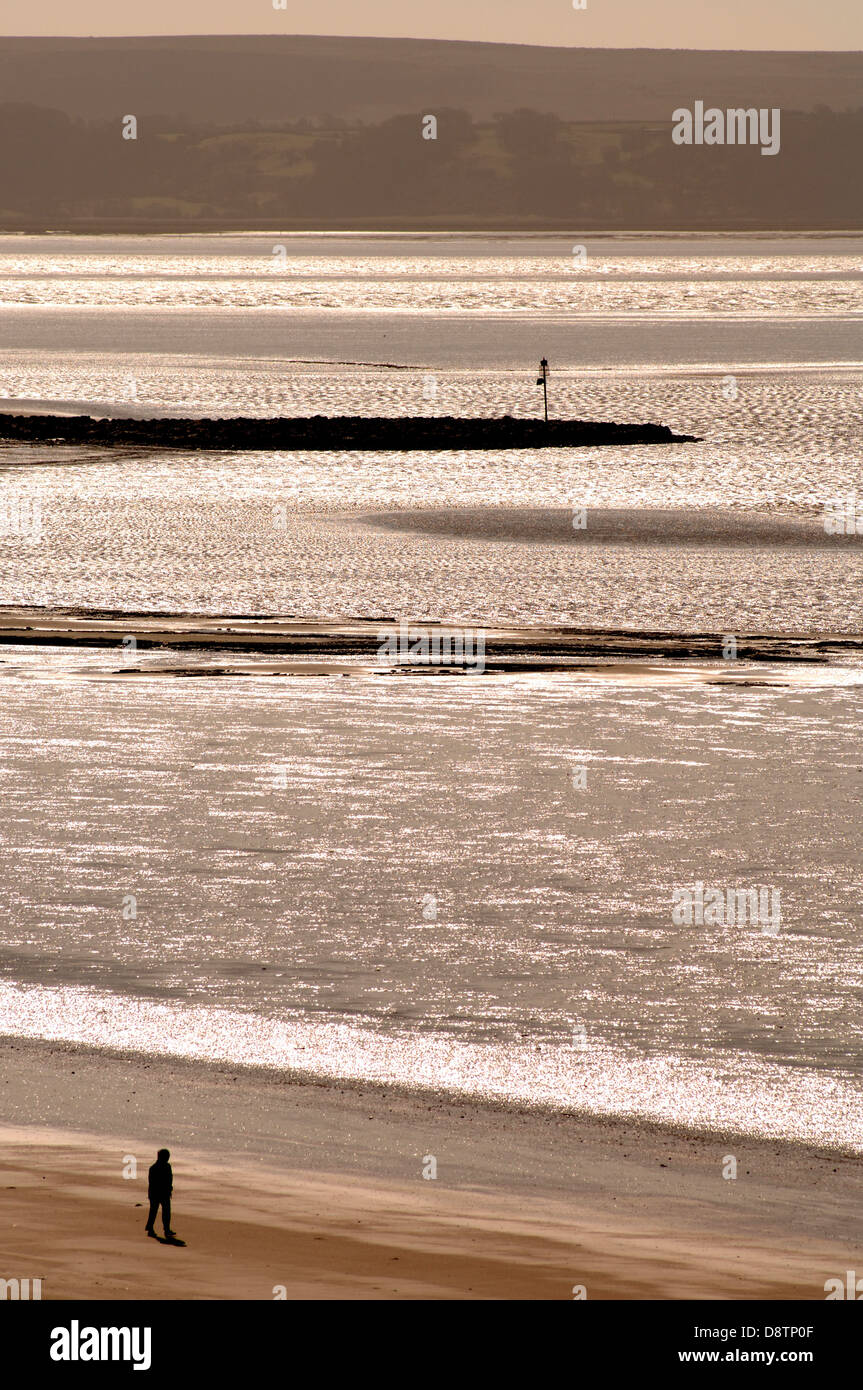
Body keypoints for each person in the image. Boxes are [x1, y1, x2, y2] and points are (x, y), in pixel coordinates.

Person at [145, 1148, 176, 1239]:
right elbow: (152, 1182)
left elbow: (170, 1179)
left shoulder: (163, 1166)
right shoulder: (155, 1168)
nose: (168, 1158)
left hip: (161, 1192)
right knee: (157, 1211)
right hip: (158, 1193)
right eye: (167, 1156)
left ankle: (164, 1229)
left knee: (162, 1211)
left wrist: (169, 1189)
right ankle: (155, 1228)